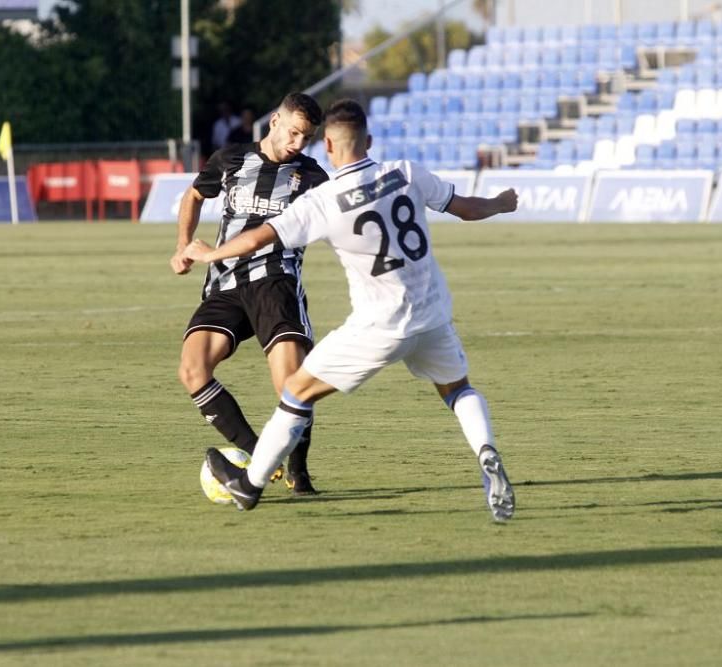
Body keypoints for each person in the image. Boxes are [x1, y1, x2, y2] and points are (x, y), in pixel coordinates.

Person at [185, 99, 520, 521]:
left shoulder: (324, 199)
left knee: (296, 393)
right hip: (432, 314)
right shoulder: (406, 172)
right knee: (457, 390)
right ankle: (486, 452)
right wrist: (501, 202)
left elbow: (256, 240)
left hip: (378, 326)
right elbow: (468, 209)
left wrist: (207, 253)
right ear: (371, 140)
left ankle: (249, 485)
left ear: (326, 143)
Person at [170, 92, 330, 495]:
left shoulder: (313, 178)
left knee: (293, 385)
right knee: (192, 370)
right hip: (224, 284)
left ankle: (299, 473)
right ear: (275, 121)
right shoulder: (230, 159)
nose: (297, 144)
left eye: (305, 138)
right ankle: (259, 455)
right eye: (293, 132)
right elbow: (193, 195)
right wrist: (182, 245)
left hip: (276, 284)